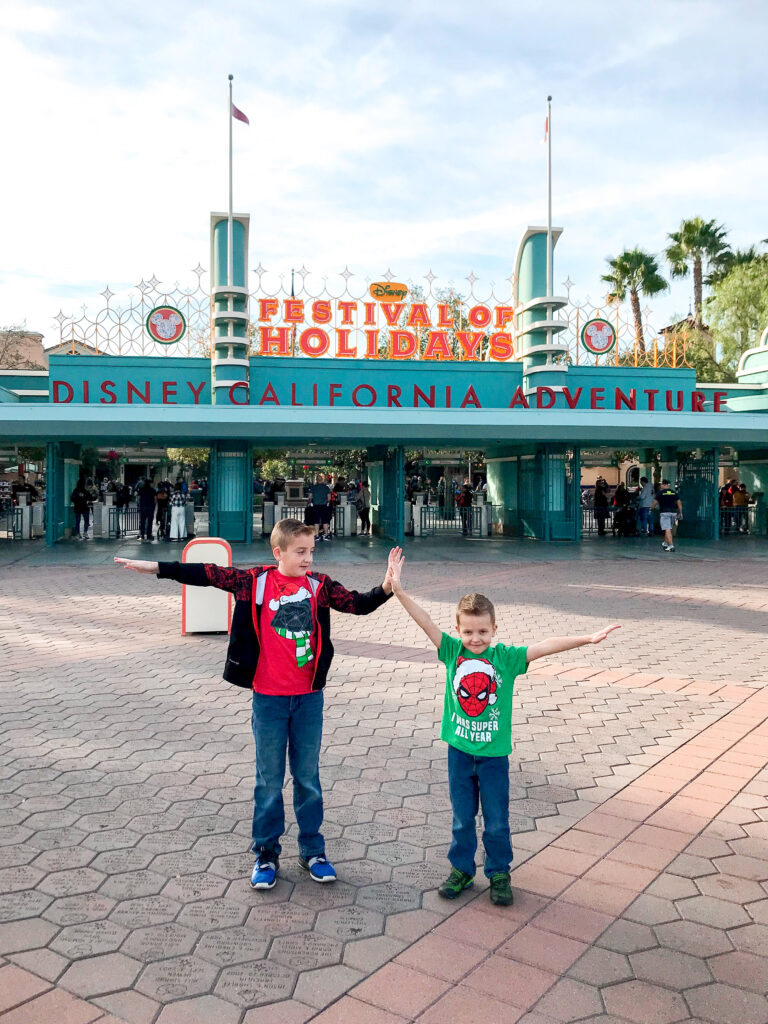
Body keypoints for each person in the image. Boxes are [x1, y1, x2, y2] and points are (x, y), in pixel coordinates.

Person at [114, 520, 396, 890]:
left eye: (311, 551)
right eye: (300, 551)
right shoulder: (256, 583)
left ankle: (313, 850)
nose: (308, 558)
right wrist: (157, 568)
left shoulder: (319, 586)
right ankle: (266, 853)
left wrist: (387, 588)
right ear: (278, 552)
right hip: (268, 701)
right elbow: (209, 573)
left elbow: (356, 603)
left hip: (308, 700)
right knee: (269, 781)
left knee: (308, 778)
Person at [385, 548, 619, 905]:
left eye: (482, 631)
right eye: (468, 631)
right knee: (463, 819)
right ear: (459, 630)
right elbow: (426, 622)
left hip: (494, 757)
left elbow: (543, 647)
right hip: (459, 754)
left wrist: (586, 639)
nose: (475, 638)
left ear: (494, 629)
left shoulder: (504, 659)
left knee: (496, 820)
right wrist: (398, 590)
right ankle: (461, 870)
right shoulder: (452, 652)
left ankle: (499, 873)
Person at [652, 479, 683, 552]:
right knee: (669, 529)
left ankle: (671, 546)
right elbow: (679, 502)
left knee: (667, 529)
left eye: (661, 484)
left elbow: (655, 502)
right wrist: (680, 512)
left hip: (665, 513)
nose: (661, 486)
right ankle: (665, 543)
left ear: (663, 485)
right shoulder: (673, 492)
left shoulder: (660, 493)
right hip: (673, 513)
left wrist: (650, 508)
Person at [310, 473, 332, 542]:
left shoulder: (313, 487)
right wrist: (326, 501)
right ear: (322, 479)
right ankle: (326, 534)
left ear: (316, 480)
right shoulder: (326, 487)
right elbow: (329, 498)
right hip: (324, 506)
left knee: (316, 521)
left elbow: (310, 497)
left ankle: (316, 536)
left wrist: (312, 501)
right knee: (325, 521)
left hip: (316, 506)